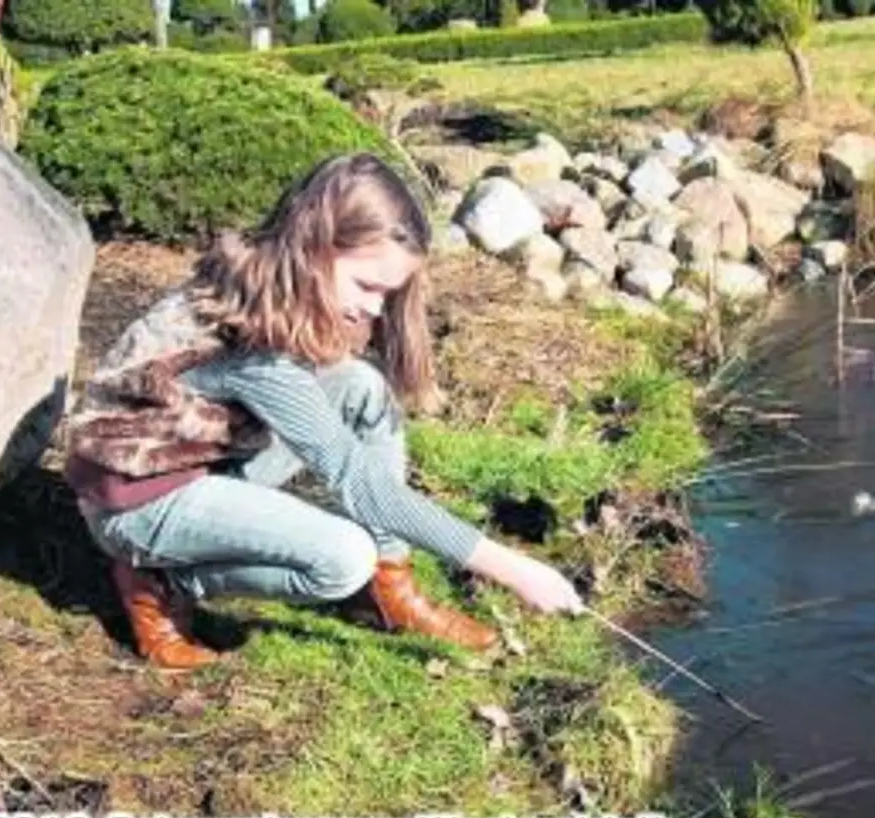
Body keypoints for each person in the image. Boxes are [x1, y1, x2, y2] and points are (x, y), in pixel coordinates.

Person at [61, 153, 584, 671]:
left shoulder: (266, 279)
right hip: (137, 502)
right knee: (343, 558)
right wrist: (516, 571)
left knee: (362, 388)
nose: (375, 307)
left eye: (387, 293)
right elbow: (360, 485)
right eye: (366, 286)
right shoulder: (254, 351)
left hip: (194, 455)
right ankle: (163, 582)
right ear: (314, 245)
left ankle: (388, 587)